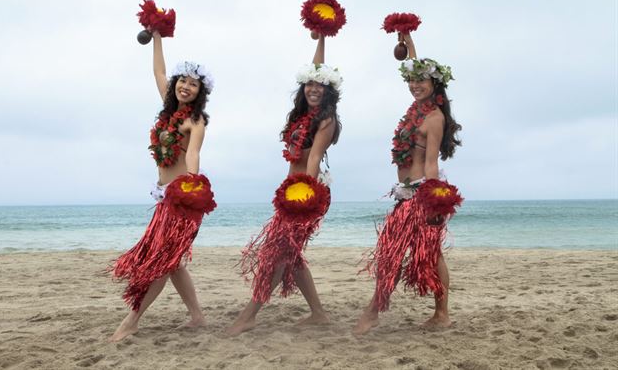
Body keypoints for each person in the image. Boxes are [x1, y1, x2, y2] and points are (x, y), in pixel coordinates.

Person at [226, 34, 342, 337]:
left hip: (308, 193)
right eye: (309, 84)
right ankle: (318, 314)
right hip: (292, 189)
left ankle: (249, 314)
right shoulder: (302, 116)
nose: (314, 89)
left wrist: (304, 197)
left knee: (277, 254)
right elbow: (317, 67)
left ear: (329, 91)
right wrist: (322, 37)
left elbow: (314, 158)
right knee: (289, 254)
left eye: (320, 86)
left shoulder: (326, 120)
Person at [109, 31, 215, 342]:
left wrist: (192, 189)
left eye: (193, 84)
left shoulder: (194, 122)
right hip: (164, 197)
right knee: (173, 262)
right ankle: (197, 316)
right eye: (182, 81)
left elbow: (193, 153)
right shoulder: (169, 113)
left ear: (199, 92)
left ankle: (132, 320)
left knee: (163, 261)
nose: (185, 86)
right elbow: (158, 72)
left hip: (182, 200)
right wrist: (157, 36)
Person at [353, 33, 462, 335]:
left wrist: (435, 202)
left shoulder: (434, 118)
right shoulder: (417, 111)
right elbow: (414, 68)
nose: (415, 86)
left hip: (419, 196)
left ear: (435, 85)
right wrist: (409, 40)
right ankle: (440, 314)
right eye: (411, 83)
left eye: (422, 82)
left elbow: (431, 164)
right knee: (415, 252)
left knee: (401, 251)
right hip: (405, 195)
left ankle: (378, 310)